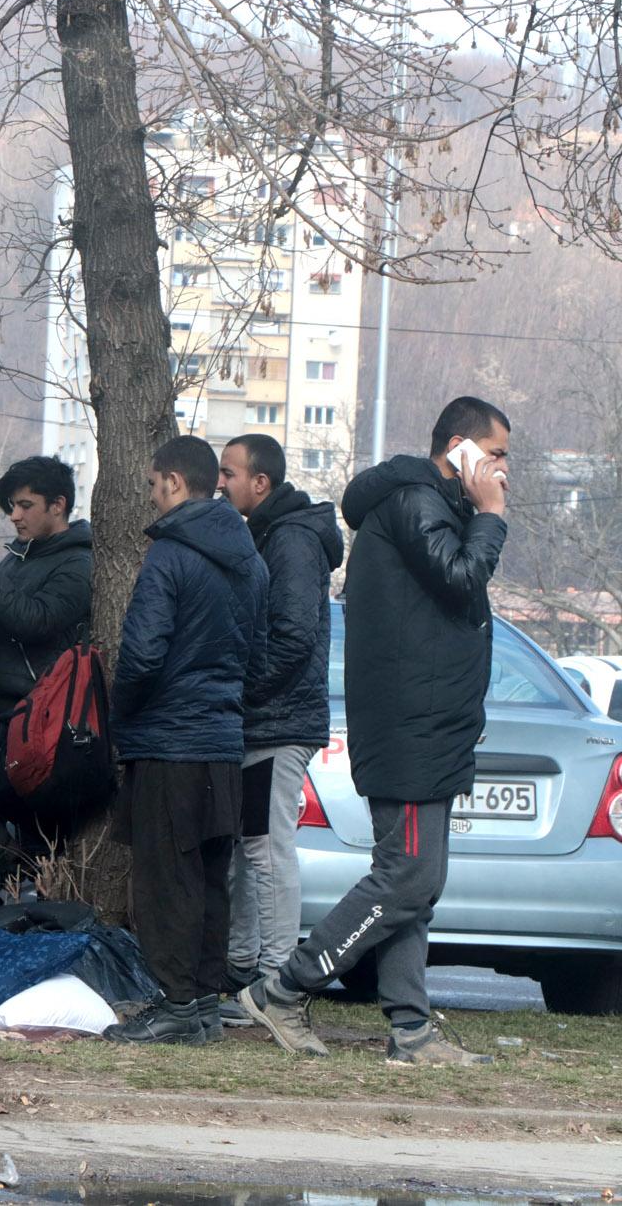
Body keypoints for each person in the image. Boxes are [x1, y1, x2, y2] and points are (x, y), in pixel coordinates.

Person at [242, 397, 510, 1067]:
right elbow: (461, 575)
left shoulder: (437, 507)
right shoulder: (416, 504)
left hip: (432, 725)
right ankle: (284, 989)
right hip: (410, 727)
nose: (505, 471)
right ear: (462, 449)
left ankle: (411, 1028)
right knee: (406, 876)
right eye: (497, 454)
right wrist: (493, 517)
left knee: (417, 882)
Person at [103, 435, 268, 1045]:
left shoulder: (169, 556)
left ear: (173, 482)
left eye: (151, 485)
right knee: (208, 878)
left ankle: (175, 1004)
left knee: (165, 879)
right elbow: (262, 654)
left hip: (169, 741)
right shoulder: (251, 559)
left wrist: (125, 715)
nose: (150, 497)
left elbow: (142, 655)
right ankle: (199, 1002)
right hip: (223, 741)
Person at [216, 433, 343, 1019]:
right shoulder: (269, 533)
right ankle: (247, 974)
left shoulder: (289, 540)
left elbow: (291, 636)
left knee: (267, 849)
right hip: (266, 720)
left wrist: (240, 694)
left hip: (276, 722)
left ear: (259, 482)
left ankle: (273, 983)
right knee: (252, 848)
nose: (221, 483)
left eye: (229, 473)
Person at [0, 456, 93, 834]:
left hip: (29, 727)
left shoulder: (79, 563)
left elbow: (34, 620)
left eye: (25, 505)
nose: (14, 515)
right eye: (12, 506)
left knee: (18, 842)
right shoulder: (16, 559)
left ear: (57, 505)